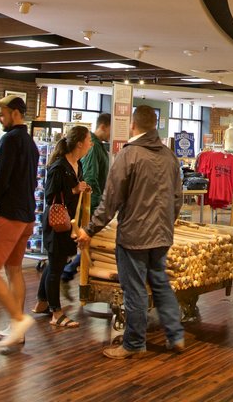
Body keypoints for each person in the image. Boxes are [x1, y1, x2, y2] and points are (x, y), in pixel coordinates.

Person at [75, 105, 185, 359]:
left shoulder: (129, 155)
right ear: (154, 125)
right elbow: (177, 199)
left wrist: (90, 229)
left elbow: (111, 199)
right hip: (161, 234)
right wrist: (168, 221)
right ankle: (175, 335)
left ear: (133, 126)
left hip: (134, 235)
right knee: (160, 283)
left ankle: (134, 343)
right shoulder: (169, 156)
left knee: (134, 289)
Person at [0, 95, 40, 354]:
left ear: (15, 113)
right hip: (26, 216)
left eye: (1, 114)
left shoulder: (10, 140)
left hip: (10, 215)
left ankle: (19, 319)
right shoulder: (31, 144)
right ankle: (17, 329)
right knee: (14, 270)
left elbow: (0, 179)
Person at [35, 125, 92, 328]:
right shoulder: (59, 167)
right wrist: (75, 190)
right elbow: (51, 196)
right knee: (56, 266)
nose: (91, 144)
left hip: (69, 222)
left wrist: (82, 188)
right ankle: (56, 312)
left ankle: (42, 301)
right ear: (79, 143)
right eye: (88, 140)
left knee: (55, 262)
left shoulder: (78, 164)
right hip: (56, 222)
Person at [62, 113, 111, 282]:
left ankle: (70, 271)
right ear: (103, 126)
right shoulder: (94, 147)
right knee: (90, 241)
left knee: (92, 242)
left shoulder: (99, 147)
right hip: (95, 203)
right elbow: (90, 177)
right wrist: (97, 204)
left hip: (98, 202)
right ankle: (68, 271)